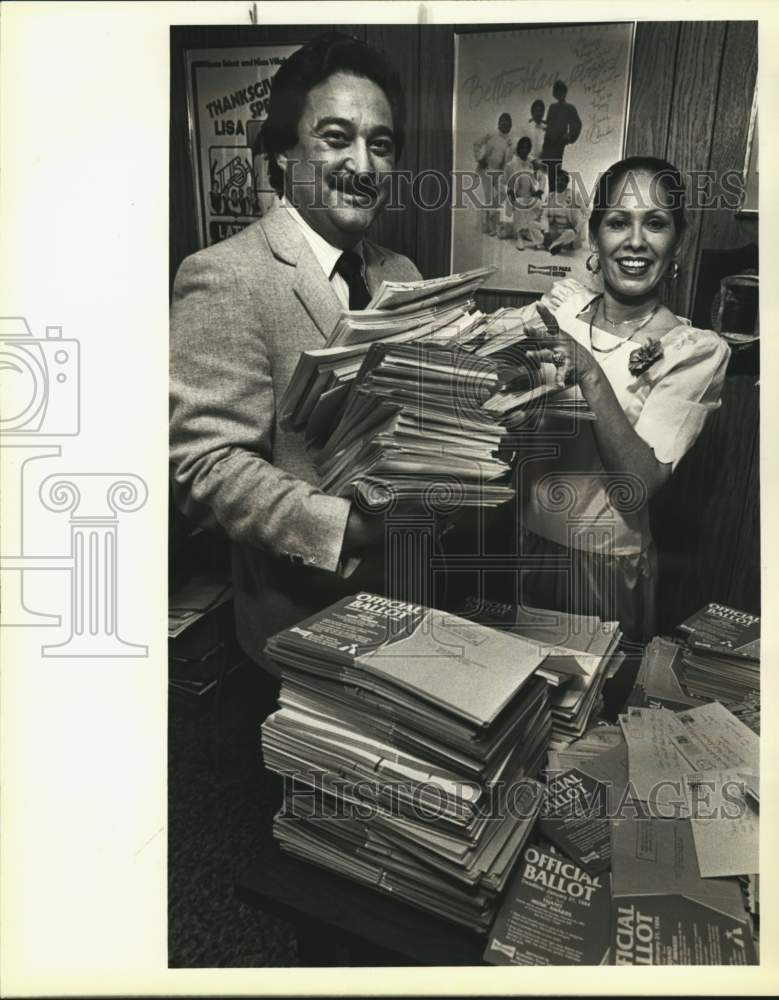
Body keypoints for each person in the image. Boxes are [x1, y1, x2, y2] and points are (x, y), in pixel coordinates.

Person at [169, 32, 422, 674]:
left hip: (416, 610)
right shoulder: (225, 274)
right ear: (283, 151)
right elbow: (208, 466)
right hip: (301, 631)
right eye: (335, 138)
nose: (363, 166)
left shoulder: (406, 273)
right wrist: (344, 529)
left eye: (381, 145)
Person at [513, 156, 730, 706]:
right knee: (517, 719)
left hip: (606, 571)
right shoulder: (554, 316)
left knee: (592, 726)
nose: (635, 242)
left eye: (655, 223)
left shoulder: (695, 351)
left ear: (677, 243)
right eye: (618, 222)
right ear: (594, 234)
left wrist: (585, 369)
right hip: (523, 547)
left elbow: (641, 477)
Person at [473, 112, 513, 236]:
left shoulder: (509, 141)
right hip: (486, 170)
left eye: (508, 123)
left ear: (510, 126)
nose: (505, 124)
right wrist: (479, 158)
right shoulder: (491, 134)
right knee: (489, 197)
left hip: (498, 172)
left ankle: (487, 215)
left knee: (503, 193)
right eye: (503, 121)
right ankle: (489, 226)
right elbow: (476, 143)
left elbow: (507, 159)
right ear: (498, 123)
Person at [504, 137, 544, 250]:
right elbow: (507, 185)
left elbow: (534, 180)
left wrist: (536, 192)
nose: (525, 150)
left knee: (540, 205)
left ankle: (529, 231)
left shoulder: (530, 164)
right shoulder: (511, 165)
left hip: (528, 195)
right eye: (523, 147)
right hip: (515, 197)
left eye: (528, 148)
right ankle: (519, 236)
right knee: (520, 204)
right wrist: (513, 197)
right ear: (518, 148)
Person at [540, 81, 581, 189]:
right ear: (554, 93)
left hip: (558, 145)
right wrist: (539, 122)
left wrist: (569, 136)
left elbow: (576, 124)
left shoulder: (569, 108)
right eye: (557, 91)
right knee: (544, 170)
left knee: (554, 171)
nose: (559, 94)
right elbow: (549, 124)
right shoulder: (552, 107)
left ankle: (553, 196)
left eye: (561, 91)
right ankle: (545, 195)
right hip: (548, 144)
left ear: (565, 92)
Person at [542, 168, 584, 254]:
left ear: (567, 183)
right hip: (554, 229)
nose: (559, 182)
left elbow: (587, 212)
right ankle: (555, 244)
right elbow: (544, 215)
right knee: (533, 225)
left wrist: (577, 229)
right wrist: (546, 232)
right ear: (555, 181)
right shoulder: (550, 196)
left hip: (567, 231)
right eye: (558, 180)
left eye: (562, 180)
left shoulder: (574, 195)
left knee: (571, 233)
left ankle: (553, 245)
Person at [527, 99, 547, 163]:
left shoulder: (546, 128)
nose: (539, 113)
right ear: (532, 113)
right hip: (529, 164)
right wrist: (532, 160)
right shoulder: (527, 128)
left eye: (541, 111)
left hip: (544, 164)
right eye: (537, 111)